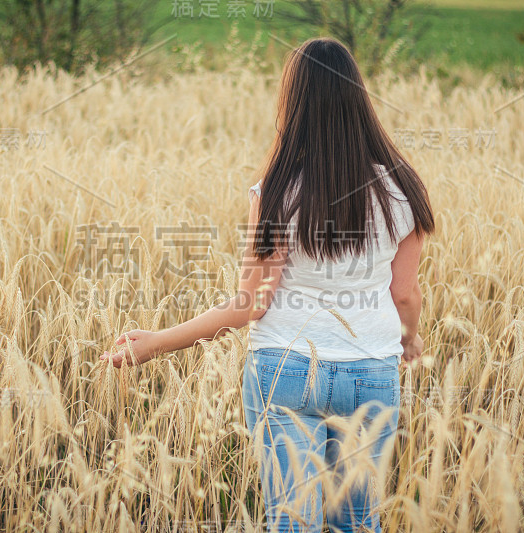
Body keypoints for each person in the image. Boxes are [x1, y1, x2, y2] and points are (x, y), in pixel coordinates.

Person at [101, 37, 435, 533]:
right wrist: (408, 339)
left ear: (293, 103)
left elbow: (251, 304)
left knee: (292, 521)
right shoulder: (402, 190)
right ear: (358, 98)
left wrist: (156, 343)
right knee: (358, 521)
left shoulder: (279, 189)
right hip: (370, 371)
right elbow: (404, 294)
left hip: (284, 369)